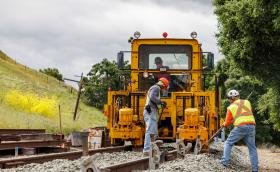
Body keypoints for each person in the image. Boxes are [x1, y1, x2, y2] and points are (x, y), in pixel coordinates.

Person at [220, 90, 258, 172]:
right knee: (252, 148)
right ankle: (255, 169)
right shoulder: (247, 102)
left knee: (228, 143)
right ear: (238, 96)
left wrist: (224, 124)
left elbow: (227, 123)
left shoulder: (230, 107)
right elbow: (247, 112)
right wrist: (234, 119)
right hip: (252, 125)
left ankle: (224, 162)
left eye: (229, 99)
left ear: (231, 99)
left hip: (241, 126)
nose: (229, 100)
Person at [143, 77, 169, 156]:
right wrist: (161, 101)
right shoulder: (156, 88)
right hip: (150, 111)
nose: (164, 89)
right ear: (163, 85)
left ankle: (151, 149)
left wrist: (161, 105)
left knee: (153, 132)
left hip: (151, 111)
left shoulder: (155, 88)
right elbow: (153, 97)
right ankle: (147, 150)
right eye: (165, 87)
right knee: (150, 131)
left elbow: (153, 99)